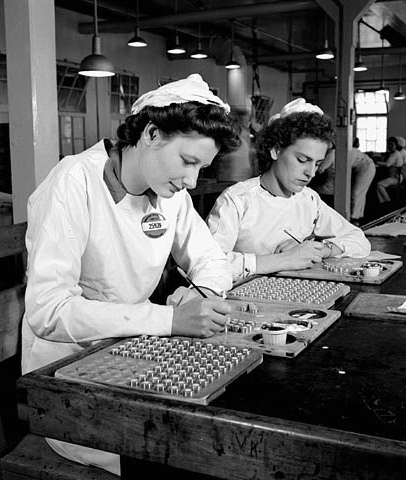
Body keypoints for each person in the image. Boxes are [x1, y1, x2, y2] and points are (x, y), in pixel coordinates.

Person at [21, 74, 241, 475]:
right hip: (68, 382)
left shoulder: (172, 194)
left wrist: (202, 293)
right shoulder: (74, 182)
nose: (192, 180)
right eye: (188, 161)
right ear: (151, 133)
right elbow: (48, 312)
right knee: (183, 457)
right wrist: (170, 319)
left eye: (201, 167)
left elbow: (212, 258)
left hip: (134, 357)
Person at [206, 98, 371, 282]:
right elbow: (207, 265)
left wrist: (320, 250)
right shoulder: (237, 200)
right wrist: (282, 260)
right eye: (302, 160)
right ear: (276, 150)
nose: (311, 173)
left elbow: (359, 240)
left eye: (317, 163)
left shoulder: (308, 199)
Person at [350, 137, 376, 225]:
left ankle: (354, 218)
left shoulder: (351, 151)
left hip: (367, 168)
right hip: (366, 167)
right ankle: (359, 215)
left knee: (356, 193)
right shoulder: (351, 151)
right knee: (360, 193)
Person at [375, 136, 403, 204]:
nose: (390, 146)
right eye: (389, 144)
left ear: (396, 145)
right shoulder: (394, 153)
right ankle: (384, 201)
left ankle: (387, 201)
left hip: (395, 178)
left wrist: (376, 162)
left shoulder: (395, 154)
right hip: (396, 176)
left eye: (392, 144)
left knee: (379, 185)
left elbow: (387, 164)